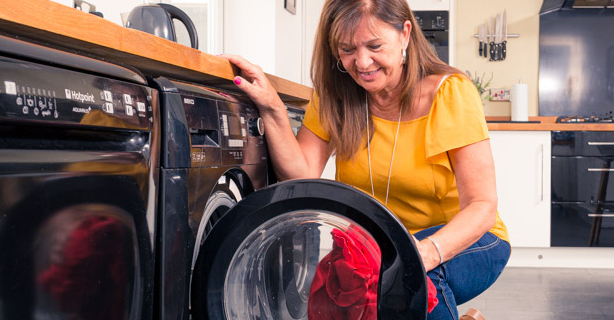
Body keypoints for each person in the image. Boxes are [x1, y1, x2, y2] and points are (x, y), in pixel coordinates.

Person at [217, 0, 509, 319]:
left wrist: (421, 253)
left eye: (374, 45)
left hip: (467, 239)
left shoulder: (450, 93)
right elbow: (299, 174)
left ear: (404, 34)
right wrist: (273, 108)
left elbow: (482, 205)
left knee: (414, 279)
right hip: (377, 245)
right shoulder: (337, 98)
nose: (362, 62)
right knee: (331, 302)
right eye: (347, 49)